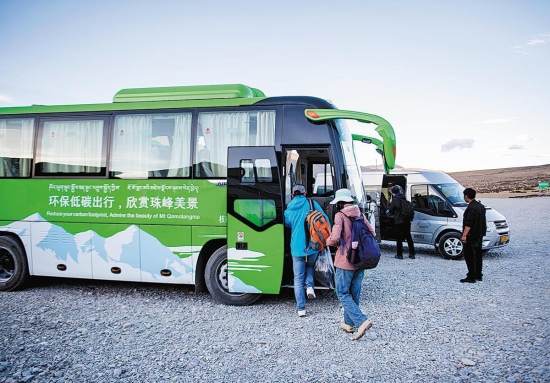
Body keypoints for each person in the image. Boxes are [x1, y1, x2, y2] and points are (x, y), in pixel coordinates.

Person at [326, 188, 374, 340]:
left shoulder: (340, 216)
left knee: (342, 292)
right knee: (354, 293)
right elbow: (372, 233)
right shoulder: (360, 213)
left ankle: (361, 320)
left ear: (340, 203)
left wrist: (327, 241)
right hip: (361, 260)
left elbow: (334, 238)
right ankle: (348, 324)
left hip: (345, 261)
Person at [284, 184, 330, 317]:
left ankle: (301, 309)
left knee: (298, 278)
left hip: (297, 248)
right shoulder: (312, 203)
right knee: (309, 265)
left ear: (292, 195)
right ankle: (309, 286)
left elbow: (287, 223)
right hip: (313, 246)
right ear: (304, 193)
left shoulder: (288, 209)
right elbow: (325, 220)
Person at [460, 188, 487, 283]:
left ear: (466, 196)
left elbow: (469, 223)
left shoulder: (471, 208)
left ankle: (471, 276)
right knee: (478, 255)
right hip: (479, 234)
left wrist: (464, 235)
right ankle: (478, 274)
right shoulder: (480, 206)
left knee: (469, 256)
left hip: (471, 235)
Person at [387, 184, 416, 259]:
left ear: (393, 193)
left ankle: (399, 255)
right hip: (407, 220)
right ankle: (412, 254)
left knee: (399, 238)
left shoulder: (395, 199)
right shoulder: (404, 198)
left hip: (399, 221)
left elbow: (391, 210)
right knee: (408, 237)